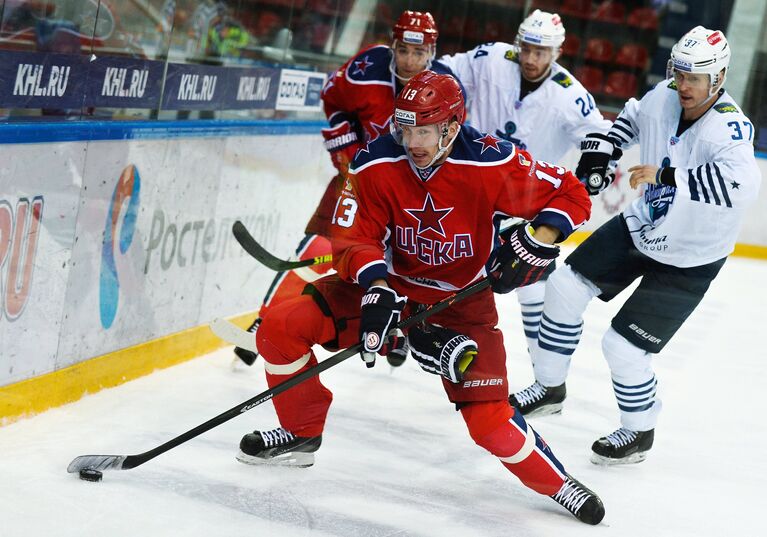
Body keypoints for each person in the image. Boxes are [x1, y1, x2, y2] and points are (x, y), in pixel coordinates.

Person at [237, 71, 605, 525]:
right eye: (405, 128)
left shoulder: (492, 161)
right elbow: (352, 237)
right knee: (280, 327)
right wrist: (375, 285)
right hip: (388, 289)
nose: (412, 140)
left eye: (424, 130)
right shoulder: (374, 162)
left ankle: (559, 482)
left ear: (451, 126)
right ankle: (300, 431)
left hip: (461, 303)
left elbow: (571, 193)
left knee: (490, 421)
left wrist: (539, 237)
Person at [509, 26, 761, 465]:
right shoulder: (664, 94)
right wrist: (602, 149)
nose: (682, 85)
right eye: (679, 73)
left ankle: (639, 430)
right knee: (564, 285)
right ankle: (550, 387)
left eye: (694, 78)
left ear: (717, 79)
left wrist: (666, 177)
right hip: (642, 226)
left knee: (623, 348)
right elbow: (630, 120)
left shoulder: (731, 127)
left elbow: (740, 188)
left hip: (690, 257)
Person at [233, 10, 459, 369]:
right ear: (393, 44)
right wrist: (344, 143)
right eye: (404, 51)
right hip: (356, 178)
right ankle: (266, 317)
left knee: (403, 262)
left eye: (420, 53)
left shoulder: (446, 85)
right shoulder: (367, 67)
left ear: (432, 51)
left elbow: (454, 138)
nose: (411, 61)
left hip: (408, 193)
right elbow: (331, 96)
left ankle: (398, 331)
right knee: (318, 246)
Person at [438, 9, 612, 367]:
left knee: (533, 291)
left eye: (541, 52)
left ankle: (545, 374)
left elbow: (599, 139)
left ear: (557, 52)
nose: (531, 59)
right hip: (467, 189)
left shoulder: (571, 95)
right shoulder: (490, 58)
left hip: (524, 205)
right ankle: (412, 334)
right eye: (527, 49)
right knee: (436, 262)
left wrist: (595, 168)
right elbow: (444, 69)